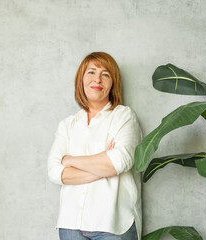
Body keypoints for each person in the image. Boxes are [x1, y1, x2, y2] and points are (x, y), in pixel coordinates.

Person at [47, 52, 142, 240]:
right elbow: (54, 172)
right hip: (70, 224)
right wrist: (103, 165)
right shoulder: (68, 124)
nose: (97, 79)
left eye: (105, 74)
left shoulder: (123, 116)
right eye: (91, 72)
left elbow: (118, 162)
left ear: (113, 82)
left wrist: (70, 160)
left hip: (112, 224)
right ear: (81, 79)